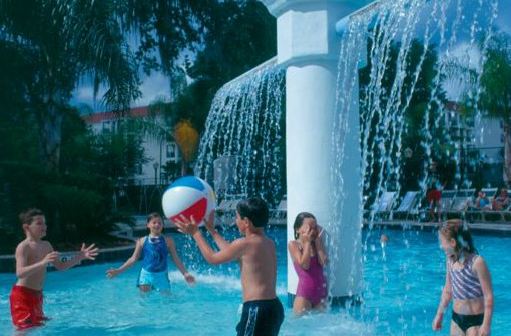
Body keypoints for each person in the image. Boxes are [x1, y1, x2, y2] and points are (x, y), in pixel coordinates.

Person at [174, 197, 284, 336]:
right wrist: (212, 232)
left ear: (246, 222)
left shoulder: (244, 243)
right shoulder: (268, 243)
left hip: (256, 309)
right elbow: (231, 252)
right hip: (274, 308)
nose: (235, 221)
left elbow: (212, 258)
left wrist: (196, 233)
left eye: (237, 217)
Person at [10, 208, 99, 330]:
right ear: (26, 227)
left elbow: (61, 266)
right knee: (25, 329)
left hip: (37, 296)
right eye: (39, 223)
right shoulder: (24, 247)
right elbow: (20, 273)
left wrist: (80, 256)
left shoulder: (46, 245)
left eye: (45, 223)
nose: (44, 226)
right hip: (22, 295)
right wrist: (43, 262)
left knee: (36, 327)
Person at [106, 212, 195, 293]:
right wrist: (118, 270)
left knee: (167, 301)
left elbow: (175, 258)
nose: (157, 225)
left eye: (160, 223)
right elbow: (133, 259)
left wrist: (185, 273)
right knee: (145, 303)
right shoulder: (142, 241)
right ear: (148, 225)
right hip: (146, 276)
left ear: (163, 225)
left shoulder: (168, 241)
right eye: (154, 222)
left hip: (162, 275)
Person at [432, 219, 493, 336]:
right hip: (457, 319)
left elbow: (488, 296)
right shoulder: (450, 261)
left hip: (476, 321)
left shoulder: (477, 263)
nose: (440, 246)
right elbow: (448, 290)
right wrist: (439, 314)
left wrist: (486, 324)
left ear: (453, 242)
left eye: (442, 242)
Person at [288, 212, 328, 315]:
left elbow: (323, 262)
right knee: (301, 327)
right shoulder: (294, 245)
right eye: (308, 228)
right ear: (298, 229)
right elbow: (305, 265)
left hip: (321, 293)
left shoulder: (317, 243)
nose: (312, 231)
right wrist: (307, 242)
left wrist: (318, 241)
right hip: (304, 294)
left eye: (314, 228)